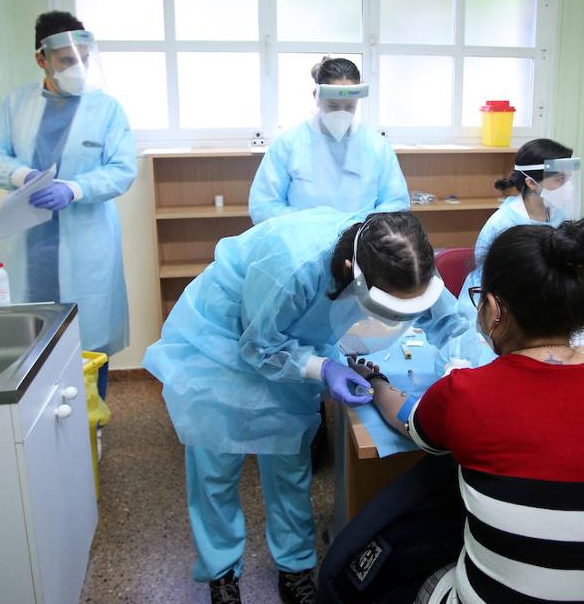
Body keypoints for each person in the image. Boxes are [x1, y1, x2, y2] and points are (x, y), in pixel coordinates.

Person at [143, 208, 487, 604]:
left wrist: (466, 368)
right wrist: (322, 367)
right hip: (221, 345)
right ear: (350, 270)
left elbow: (453, 323)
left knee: (289, 466)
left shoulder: (406, 262)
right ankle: (221, 575)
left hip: (290, 342)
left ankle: (294, 569)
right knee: (215, 471)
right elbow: (258, 346)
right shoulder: (291, 264)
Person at [353, 219, 584, 604]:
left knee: (424, 573)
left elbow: (406, 417)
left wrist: (374, 382)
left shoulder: (467, 393)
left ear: (494, 310)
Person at [0, 11, 138, 366]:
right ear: (41, 59)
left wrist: (74, 189)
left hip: (87, 238)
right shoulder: (16, 104)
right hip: (29, 238)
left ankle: (94, 419)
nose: (77, 68)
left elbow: (123, 169)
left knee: (90, 342)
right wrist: (21, 176)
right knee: (30, 336)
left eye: (83, 60)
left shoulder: (106, 109)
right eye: (67, 61)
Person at [456, 138, 584, 330]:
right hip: (500, 318)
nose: (568, 186)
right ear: (531, 183)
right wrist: (574, 306)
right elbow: (511, 289)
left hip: (547, 309)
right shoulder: (504, 226)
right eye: (560, 179)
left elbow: (566, 264)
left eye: (568, 178)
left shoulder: (556, 214)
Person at [248, 57, 409, 224]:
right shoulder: (289, 144)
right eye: (333, 106)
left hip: (358, 245)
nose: (342, 113)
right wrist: (311, 225)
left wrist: (360, 228)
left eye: (350, 107)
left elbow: (396, 204)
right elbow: (263, 206)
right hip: (302, 245)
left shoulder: (376, 146)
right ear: (316, 97)